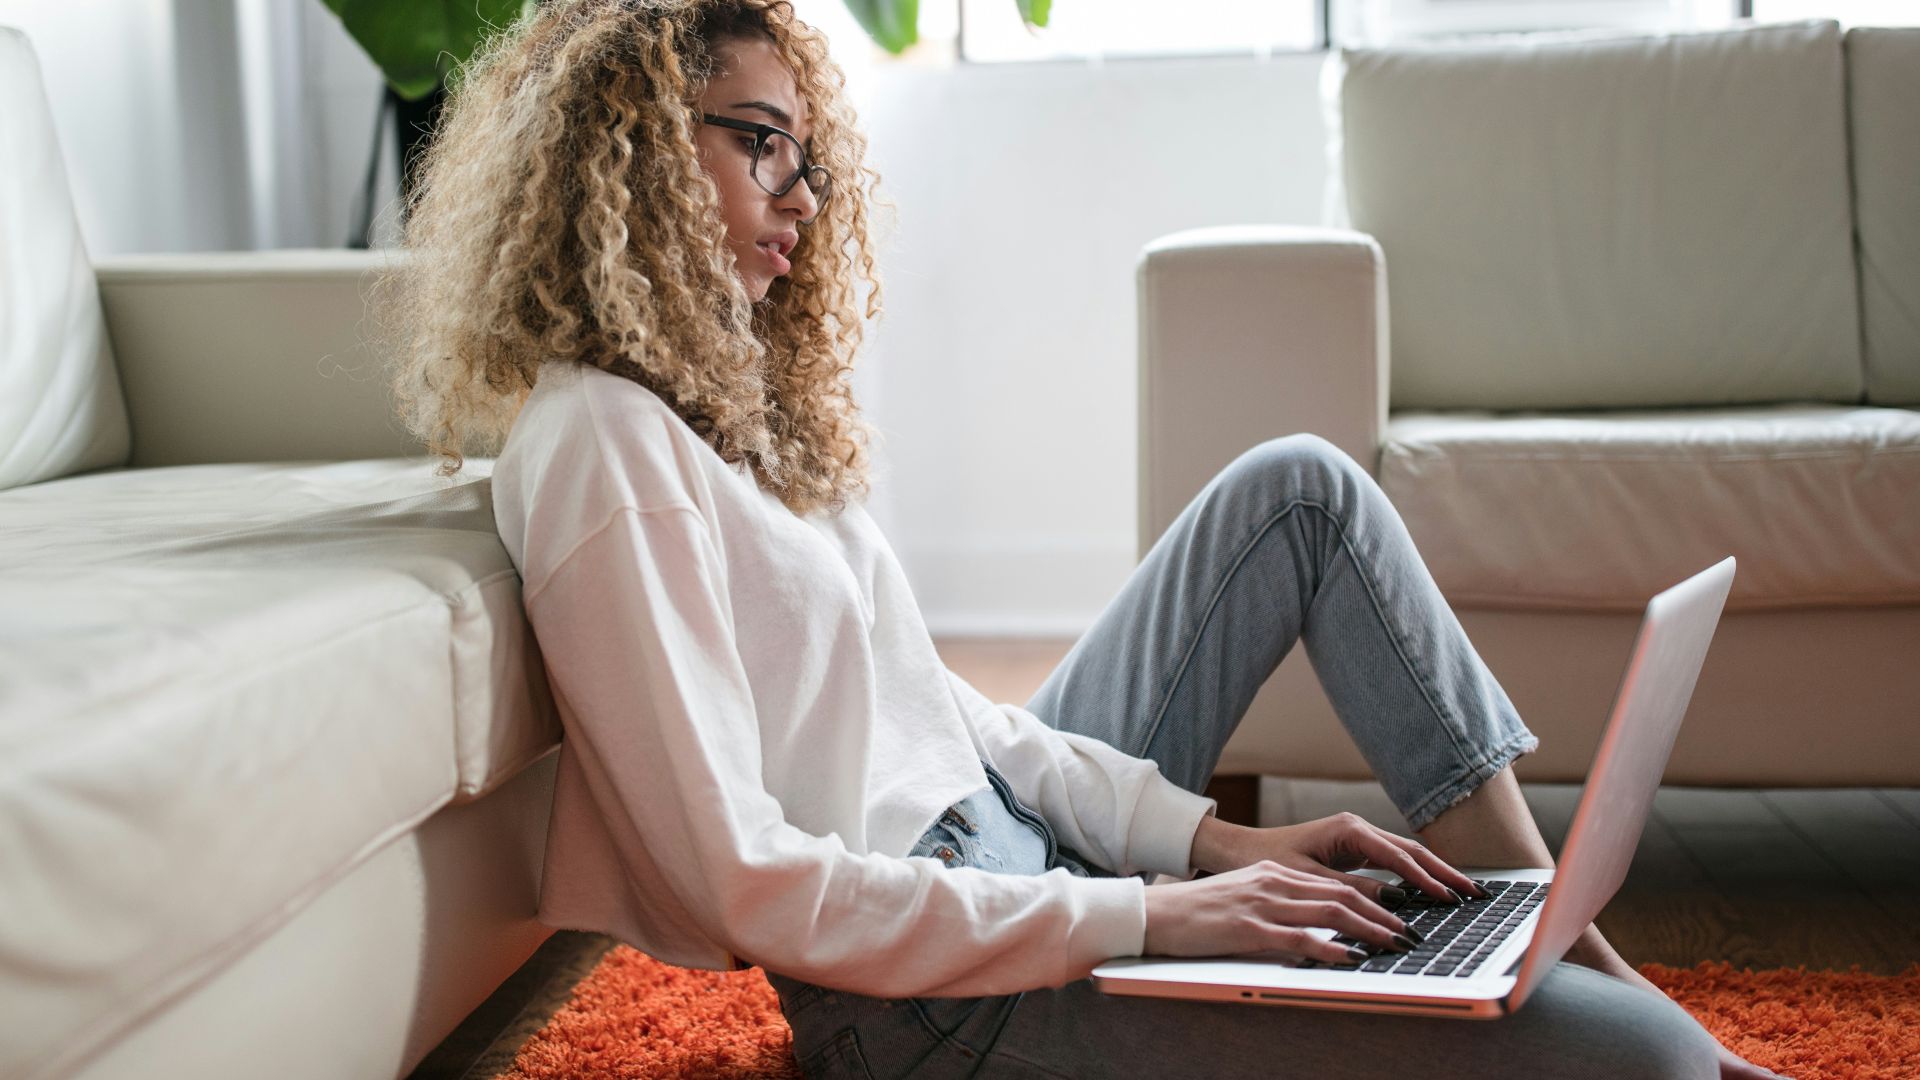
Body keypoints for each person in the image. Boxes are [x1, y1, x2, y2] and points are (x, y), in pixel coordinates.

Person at [381, 2, 1779, 1076]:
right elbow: (740, 876)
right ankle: (1591, 994)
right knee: (1641, 1067)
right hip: (924, 1002)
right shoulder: (599, 446)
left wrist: (1199, 844)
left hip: (1020, 858)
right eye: (759, 143)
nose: (801, 197)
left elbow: (955, 723)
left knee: (1302, 488)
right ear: (624, 156)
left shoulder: (734, 414)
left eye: (806, 154)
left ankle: (1548, 934)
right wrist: (1147, 917)